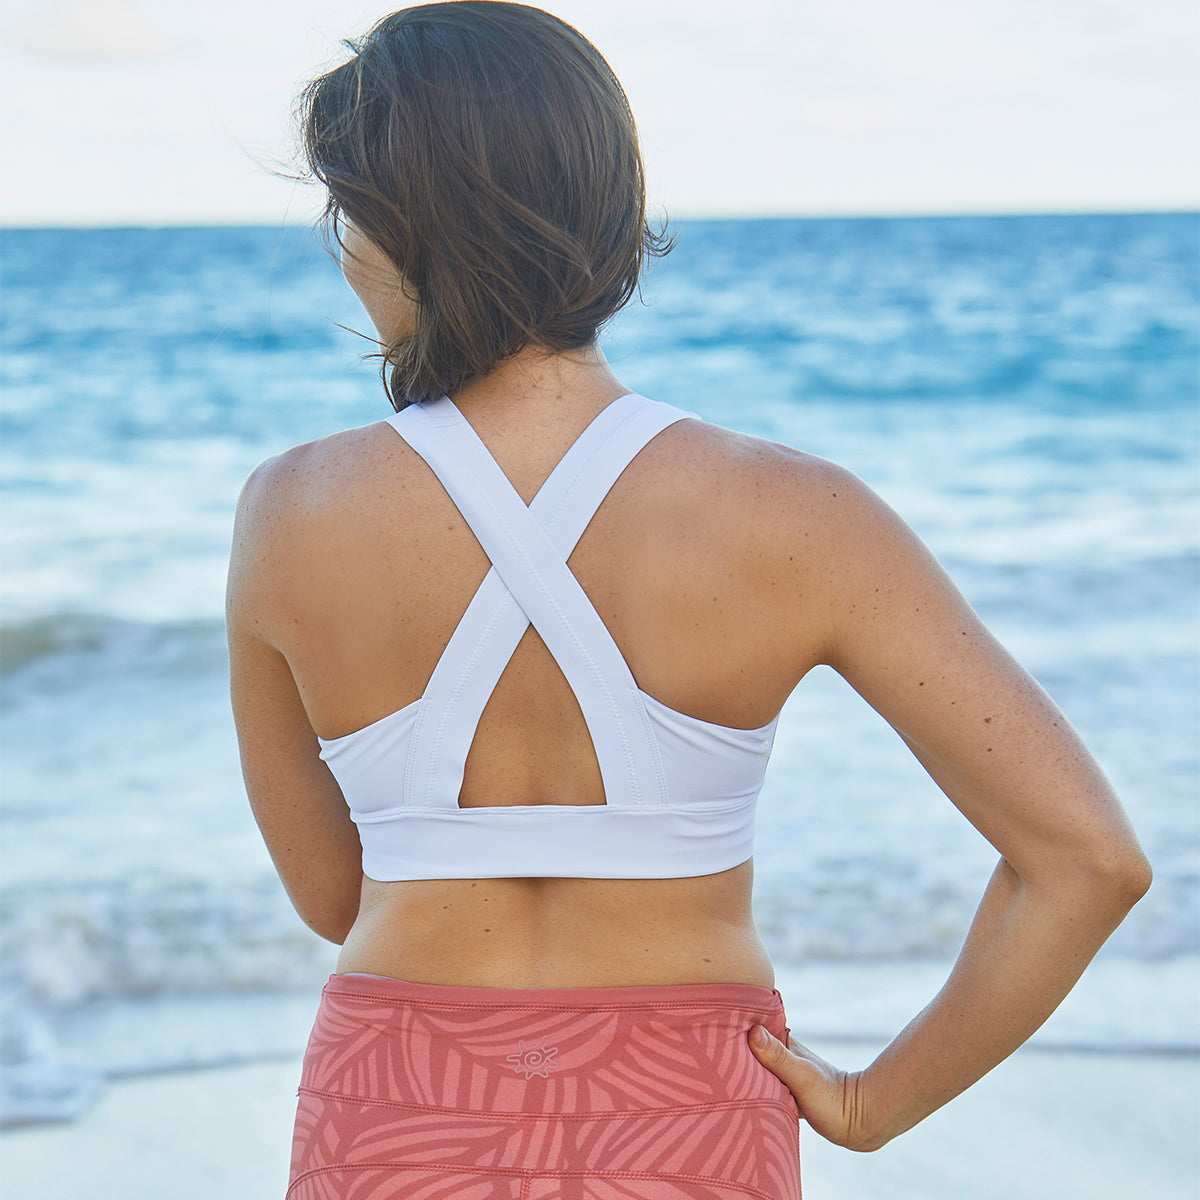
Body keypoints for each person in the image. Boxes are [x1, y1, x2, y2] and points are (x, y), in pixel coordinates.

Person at [225, 3, 1152, 1195]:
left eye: (348, 210)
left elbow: (335, 896)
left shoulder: (289, 510)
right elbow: (1088, 861)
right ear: (609, 210)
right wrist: (876, 1104)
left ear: (396, 230)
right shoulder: (798, 515)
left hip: (396, 1092)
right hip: (687, 1103)